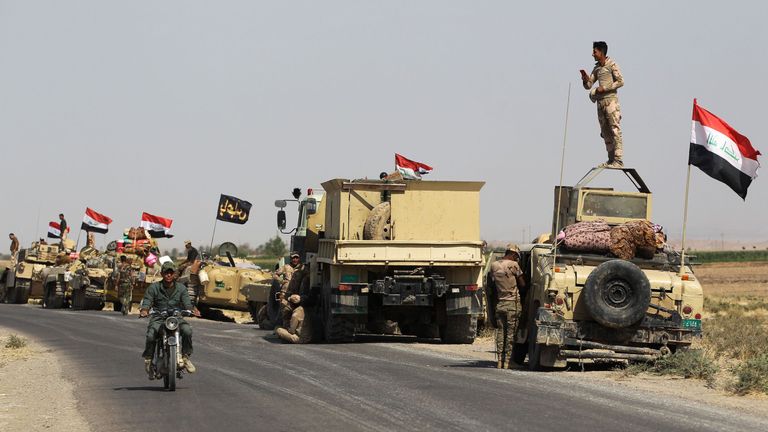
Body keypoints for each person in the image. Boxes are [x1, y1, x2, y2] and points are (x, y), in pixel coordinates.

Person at [139, 261, 200, 376]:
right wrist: (145, 309)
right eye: (166, 272)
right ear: (162, 274)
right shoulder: (154, 287)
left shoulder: (181, 288)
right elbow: (147, 300)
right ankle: (148, 359)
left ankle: (185, 357)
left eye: (171, 273)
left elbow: (187, 302)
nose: (168, 275)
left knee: (187, 330)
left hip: (176, 317)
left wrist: (191, 309)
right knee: (151, 335)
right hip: (159, 317)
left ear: (174, 274)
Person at [581, 41, 625, 168]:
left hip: (611, 101)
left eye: (594, 51)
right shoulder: (597, 68)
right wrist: (585, 80)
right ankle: (611, 159)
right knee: (605, 132)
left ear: (601, 52)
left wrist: (605, 88)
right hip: (600, 104)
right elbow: (589, 85)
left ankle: (618, 160)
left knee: (614, 130)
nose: (592, 54)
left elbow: (621, 81)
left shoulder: (611, 65)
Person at [490, 243, 526, 369]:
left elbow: (492, 286)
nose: (517, 258)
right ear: (513, 254)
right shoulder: (513, 265)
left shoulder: (494, 265)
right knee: (511, 335)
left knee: (501, 333)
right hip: (512, 305)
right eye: (516, 256)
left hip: (500, 304)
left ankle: (499, 361)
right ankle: (508, 362)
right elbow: (522, 284)